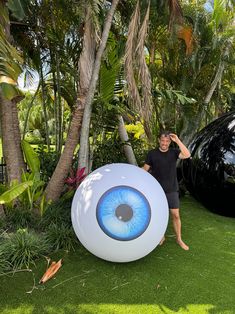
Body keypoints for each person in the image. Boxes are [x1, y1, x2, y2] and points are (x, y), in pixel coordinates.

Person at [143, 131, 191, 251]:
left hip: (171, 189)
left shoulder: (174, 152)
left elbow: (187, 154)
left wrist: (177, 140)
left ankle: (179, 239)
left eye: (167, 141)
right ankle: (161, 236)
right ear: (159, 140)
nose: (164, 143)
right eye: (162, 141)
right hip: (156, 190)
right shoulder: (152, 154)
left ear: (170, 142)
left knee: (175, 215)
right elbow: (145, 170)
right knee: (158, 215)